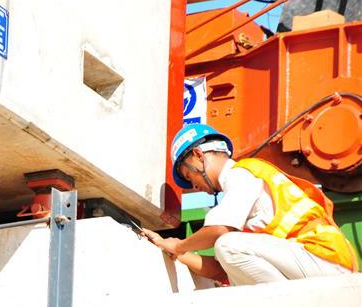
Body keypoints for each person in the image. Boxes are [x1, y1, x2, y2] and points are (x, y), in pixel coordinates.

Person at [141, 123, 357, 286]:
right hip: (316, 265)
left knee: (226, 244)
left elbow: (219, 230)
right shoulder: (243, 208)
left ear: (199, 155)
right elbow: (221, 270)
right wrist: (176, 252)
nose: (194, 186)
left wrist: (179, 244)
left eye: (189, 176)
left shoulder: (242, 174)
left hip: (323, 259)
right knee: (230, 260)